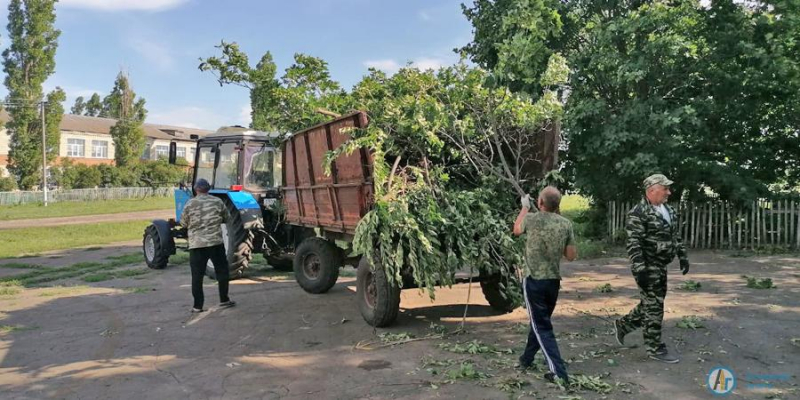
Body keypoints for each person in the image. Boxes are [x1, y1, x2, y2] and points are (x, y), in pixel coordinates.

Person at [613, 174, 689, 363]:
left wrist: (682, 255)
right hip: (646, 266)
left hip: (661, 265)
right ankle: (654, 348)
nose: (669, 192)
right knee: (655, 307)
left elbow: (674, 235)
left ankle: (624, 324)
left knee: (651, 302)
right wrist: (640, 269)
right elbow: (633, 243)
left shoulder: (668, 210)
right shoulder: (639, 212)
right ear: (652, 190)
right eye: (665, 189)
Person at [513, 186, 577, 384]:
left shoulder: (532, 219)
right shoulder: (565, 224)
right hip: (553, 282)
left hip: (534, 281)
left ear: (540, 203)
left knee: (542, 326)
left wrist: (524, 207)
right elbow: (571, 256)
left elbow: (516, 230)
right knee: (540, 322)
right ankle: (526, 359)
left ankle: (559, 372)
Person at [181, 178, 237, 313]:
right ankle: (224, 299)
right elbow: (227, 218)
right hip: (215, 243)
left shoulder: (190, 204)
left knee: (197, 276)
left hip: (197, 245)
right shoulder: (217, 201)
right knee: (222, 271)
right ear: (209, 189)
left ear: (196, 189)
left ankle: (197, 306)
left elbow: (183, 223)